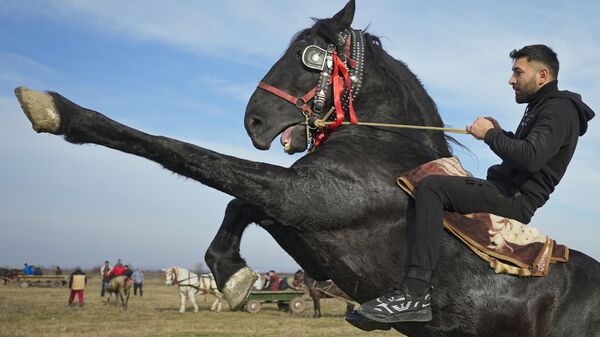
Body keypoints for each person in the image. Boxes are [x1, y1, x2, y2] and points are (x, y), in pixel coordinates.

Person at [359, 44, 595, 323]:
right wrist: (501, 132)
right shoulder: (543, 106)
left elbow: (531, 158)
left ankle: (415, 294)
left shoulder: (559, 109)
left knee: (431, 188)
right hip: (507, 190)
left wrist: (491, 135)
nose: (511, 80)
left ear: (542, 75)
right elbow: (531, 151)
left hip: (514, 198)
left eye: (518, 73)